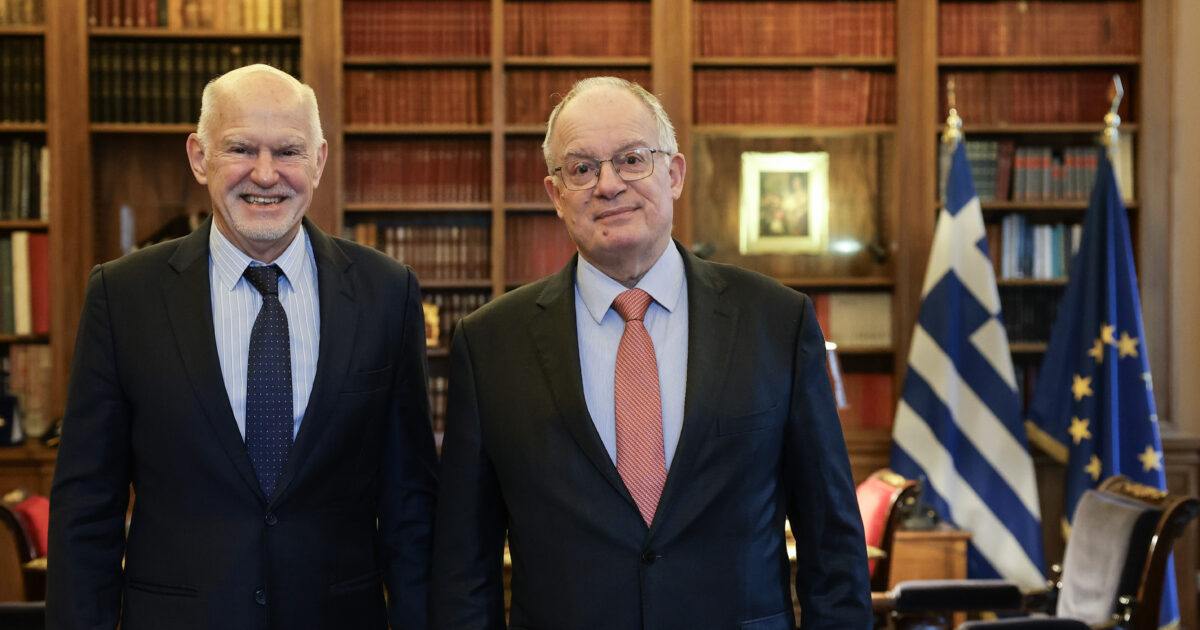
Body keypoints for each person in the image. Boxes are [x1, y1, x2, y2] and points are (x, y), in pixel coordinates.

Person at [431, 76, 870, 629]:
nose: (608, 185)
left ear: (675, 173)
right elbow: (463, 569)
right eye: (581, 168)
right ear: (556, 195)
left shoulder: (777, 322)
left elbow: (832, 541)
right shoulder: (490, 344)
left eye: (632, 160)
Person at [46, 64, 438, 630]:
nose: (265, 174)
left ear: (319, 161)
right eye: (240, 149)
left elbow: (411, 507)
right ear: (199, 157)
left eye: (288, 151)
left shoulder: (387, 293)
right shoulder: (123, 296)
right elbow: (86, 507)